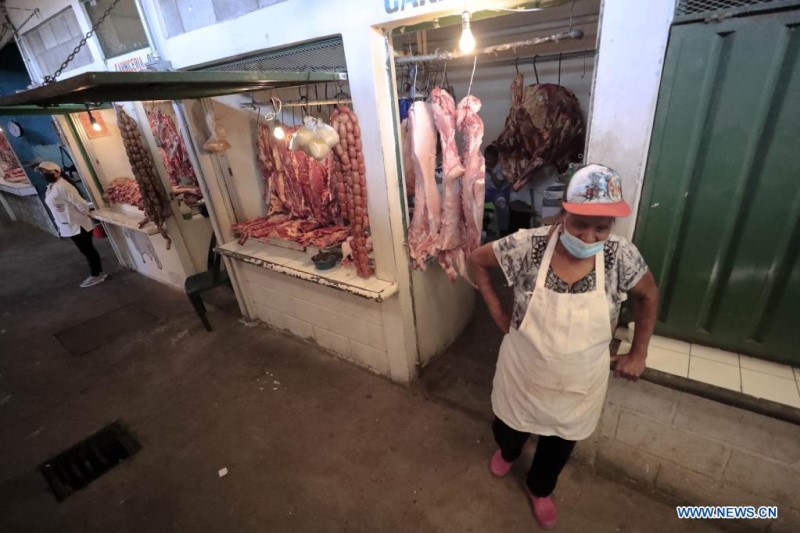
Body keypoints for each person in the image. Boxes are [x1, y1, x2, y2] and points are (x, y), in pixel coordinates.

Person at [467, 164, 659, 529]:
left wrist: (639, 353)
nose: (589, 237)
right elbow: (477, 260)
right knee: (508, 429)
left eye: (600, 228)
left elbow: (648, 296)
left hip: (578, 383)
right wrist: (495, 309)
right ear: (563, 214)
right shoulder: (530, 245)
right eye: (579, 225)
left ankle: (539, 489)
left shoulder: (620, 256)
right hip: (523, 373)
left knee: (557, 448)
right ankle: (510, 451)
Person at [38, 161, 107, 288]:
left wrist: (85, 214)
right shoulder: (53, 186)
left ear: (57, 172)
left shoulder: (63, 186)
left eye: (47, 172)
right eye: (42, 172)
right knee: (86, 250)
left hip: (77, 225)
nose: (44, 174)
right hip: (69, 225)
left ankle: (97, 275)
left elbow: (81, 204)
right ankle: (97, 273)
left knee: (88, 250)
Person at [483, 145, 510, 235]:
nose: (488, 161)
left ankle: (503, 231)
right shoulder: (483, 164)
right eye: (486, 158)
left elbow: (498, 184)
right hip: (488, 191)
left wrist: (491, 172)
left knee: (501, 203)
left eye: (490, 159)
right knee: (475, 199)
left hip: (500, 191)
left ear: (496, 158)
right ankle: (482, 225)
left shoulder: (502, 166)